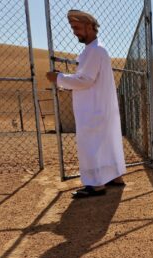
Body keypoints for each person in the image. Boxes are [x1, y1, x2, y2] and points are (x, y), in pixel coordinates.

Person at [46, 9, 126, 198]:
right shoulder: (95, 49)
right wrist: (64, 78)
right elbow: (87, 79)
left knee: (90, 144)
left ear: (90, 26)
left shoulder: (95, 50)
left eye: (77, 27)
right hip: (99, 106)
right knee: (107, 142)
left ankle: (95, 185)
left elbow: (85, 80)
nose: (74, 32)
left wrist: (58, 77)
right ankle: (115, 177)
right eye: (73, 28)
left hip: (93, 108)